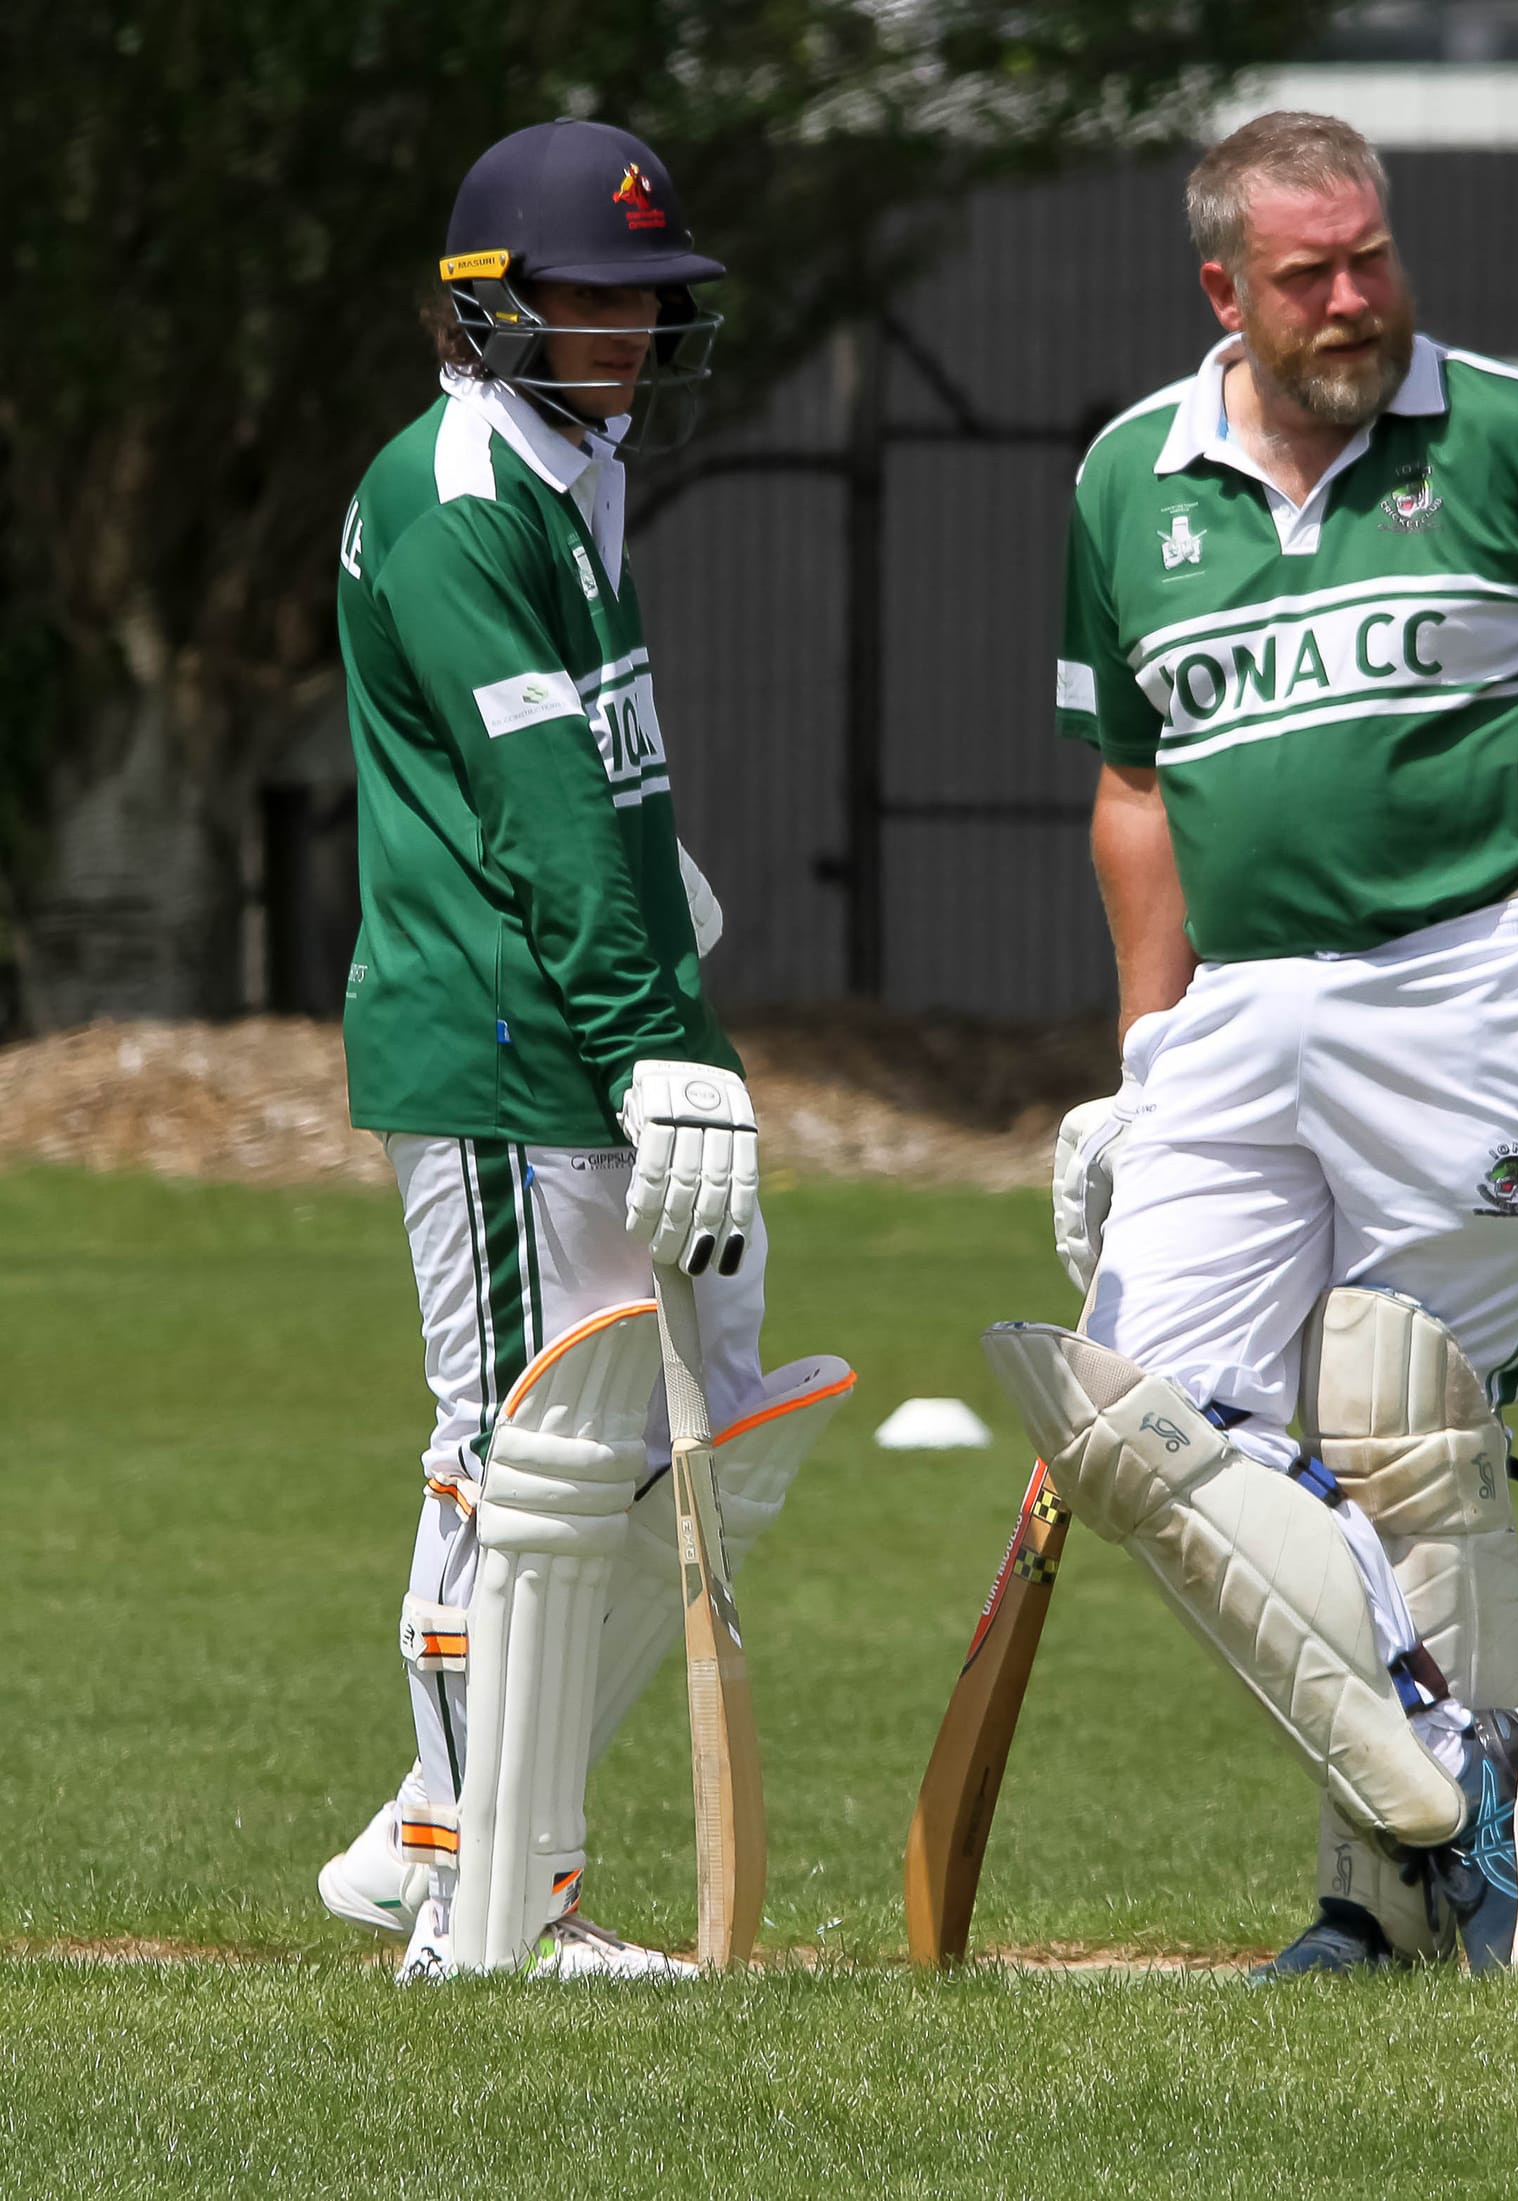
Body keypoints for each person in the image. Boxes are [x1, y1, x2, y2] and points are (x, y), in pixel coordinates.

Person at [1041, 110, 1518, 1973]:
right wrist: (1142, 1054)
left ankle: (1393, 1913)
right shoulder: (1122, 482)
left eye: (1374, 255)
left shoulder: (1508, 434)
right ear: (1222, 290)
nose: (1356, 298)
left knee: (1402, 1419)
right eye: (1309, 273)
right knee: (1134, 1422)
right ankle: (1462, 1773)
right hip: (1234, 1012)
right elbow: (1134, 791)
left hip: (1467, 983)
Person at [315, 118, 851, 1979]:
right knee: (518, 1453)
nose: (626, 333)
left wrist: (671, 974)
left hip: (611, 1022)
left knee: (728, 1425)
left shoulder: (570, 472)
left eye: (647, 301)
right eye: (589, 299)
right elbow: (537, 801)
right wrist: (652, 1049)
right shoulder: (463, 490)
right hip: (498, 1040)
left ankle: (442, 1822)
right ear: (485, 308)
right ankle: (491, 1913)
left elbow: (604, 785)